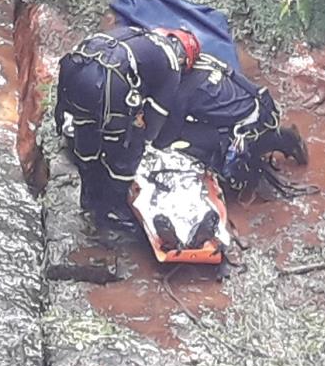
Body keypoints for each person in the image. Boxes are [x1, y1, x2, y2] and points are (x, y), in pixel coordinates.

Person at [53, 25, 198, 224]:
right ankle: (113, 207)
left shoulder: (134, 32)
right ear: (184, 60)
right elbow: (155, 118)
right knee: (130, 145)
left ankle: (87, 195)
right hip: (107, 87)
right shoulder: (171, 64)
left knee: (86, 127)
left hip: (74, 73)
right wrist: (143, 137)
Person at [156, 53, 307, 196]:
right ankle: (281, 138)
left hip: (245, 128)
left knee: (182, 136)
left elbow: (166, 136)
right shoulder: (205, 59)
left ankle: (226, 171)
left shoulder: (183, 93)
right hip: (261, 105)